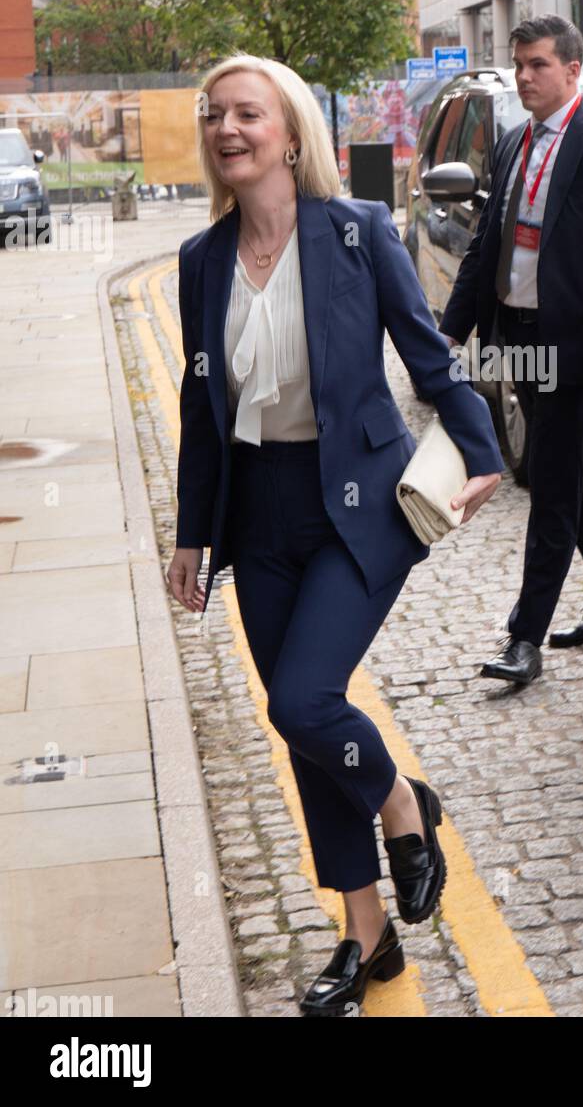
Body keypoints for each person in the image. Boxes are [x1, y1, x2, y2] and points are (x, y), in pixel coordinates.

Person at [165, 54, 503, 1017]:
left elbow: (427, 355)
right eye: (214, 116)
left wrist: (479, 452)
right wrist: (194, 537)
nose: (229, 130)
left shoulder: (356, 235)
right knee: (304, 725)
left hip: (360, 506)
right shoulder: (201, 262)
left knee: (306, 702)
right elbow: (200, 410)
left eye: (248, 114)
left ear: (289, 131)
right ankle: (366, 934)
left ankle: (403, 806)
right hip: (257, 513)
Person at [439, 15, 583, 686]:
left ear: (572, 70)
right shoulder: (510, 144)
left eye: (537, 64)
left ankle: (523, 639)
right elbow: (486, 248)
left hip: (577, 344)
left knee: (552, 485)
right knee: (577, 467)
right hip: (516, 335)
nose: (524, 76)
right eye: (518, 64)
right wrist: (449, 331)